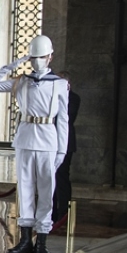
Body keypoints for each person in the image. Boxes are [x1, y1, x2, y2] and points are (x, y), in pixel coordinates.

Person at [0, 35, 69, 253]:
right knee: (25, 189)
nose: (38, 61)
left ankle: (41, 241)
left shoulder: (59, 84)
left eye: (42, 56)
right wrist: (12, 65)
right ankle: (24, 239)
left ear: (50, 57)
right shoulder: (21, 80)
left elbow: (63, 120)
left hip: (48, 140)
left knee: (46, 191)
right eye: (34, 57)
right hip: (25, 139)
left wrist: (62, 150)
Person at [52, 71, 80, 225]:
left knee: (62, 177)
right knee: (51, 178)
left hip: (66, 143)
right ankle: (52, 212)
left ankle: (63, 213)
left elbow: (68, 117)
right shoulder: (52, 97)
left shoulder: (74, 98)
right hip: (51, 142)